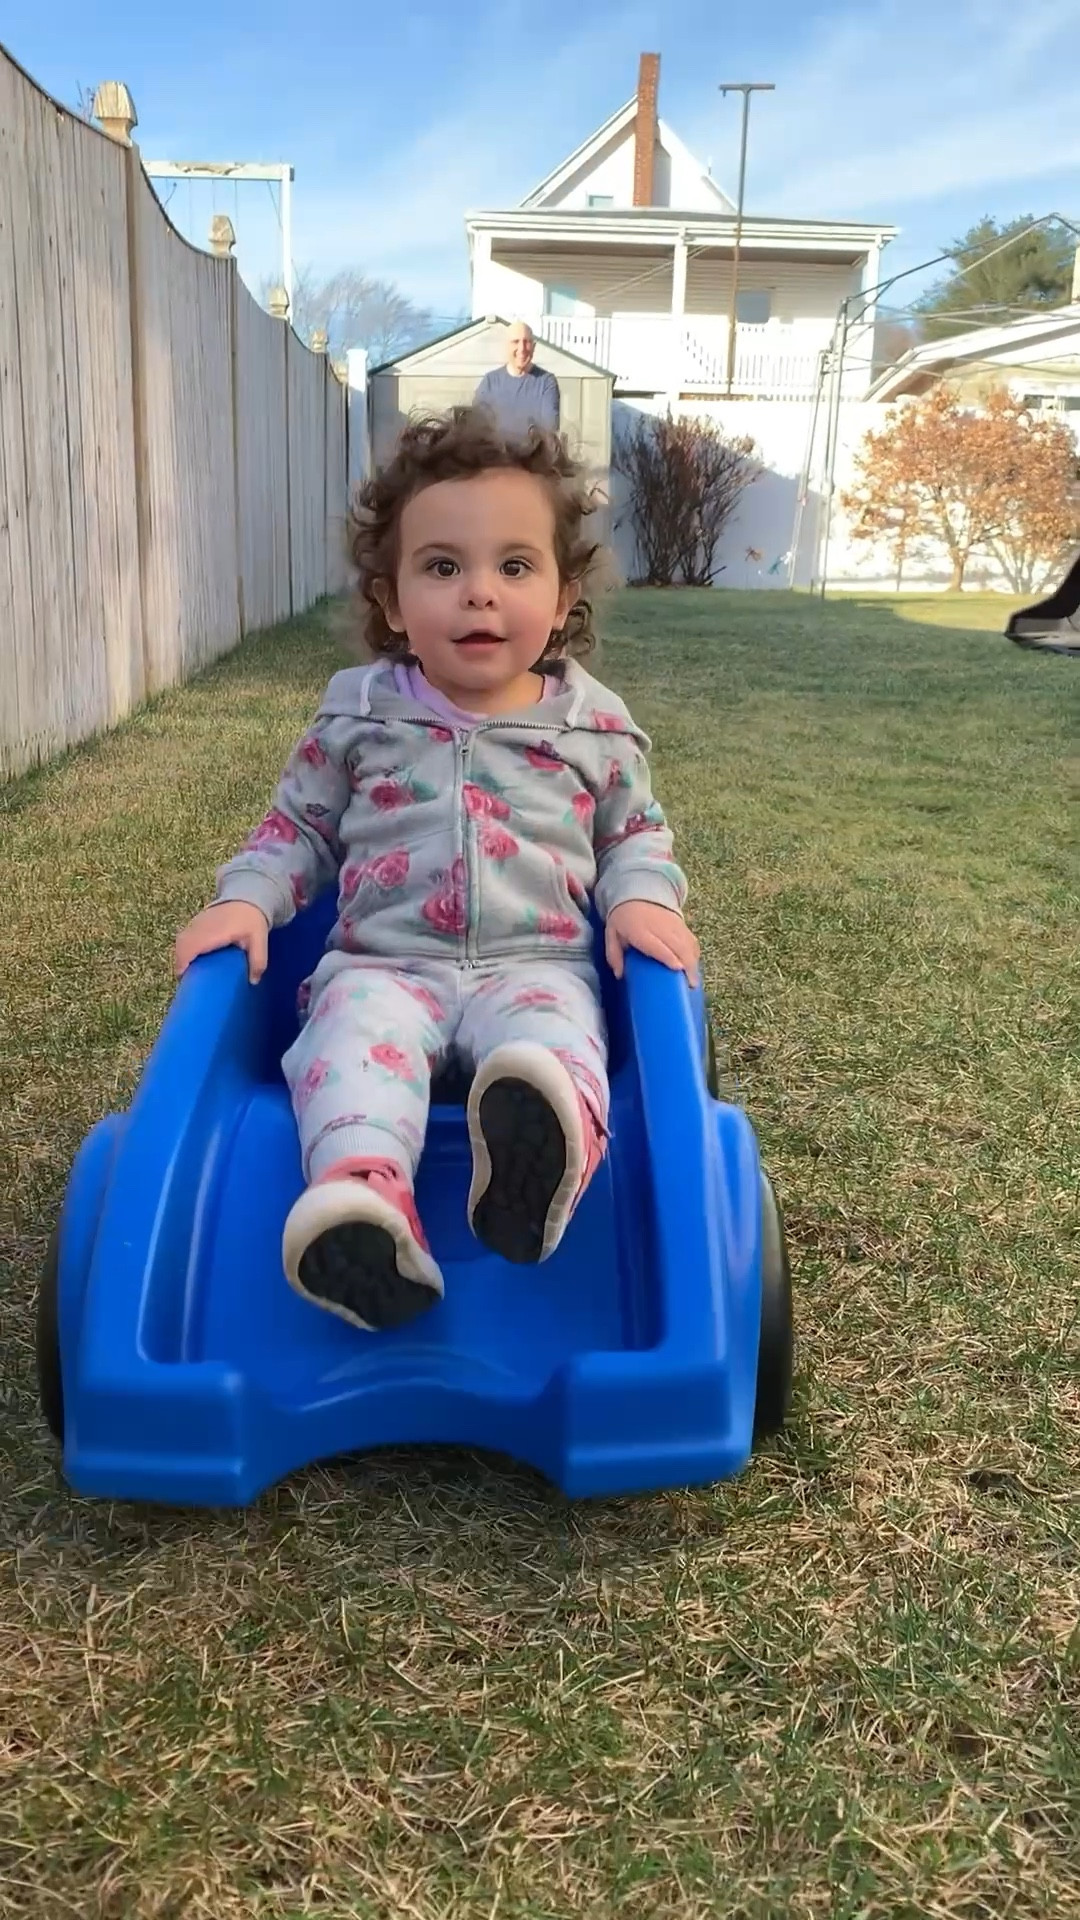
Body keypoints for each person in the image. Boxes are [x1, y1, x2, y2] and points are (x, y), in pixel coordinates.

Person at [174, 407, 698, 1335]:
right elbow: (298, 826)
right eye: (442, 567)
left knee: (552, 1040)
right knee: (347, 1042)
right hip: (384, 966)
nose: (479, 595)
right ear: (389, 601)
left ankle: (538, 1147)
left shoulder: (593, 727)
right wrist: (245, 901)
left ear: (565, 594)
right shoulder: (359, 715)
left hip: (535, 967)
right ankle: (363, 1205)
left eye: (514, 566)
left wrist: (641, 897)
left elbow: (632, 836)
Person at [475, 320, 560, 436]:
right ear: (507, 346)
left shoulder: (546, 383)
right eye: (516, 342)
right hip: (496, 453)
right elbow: (477, 428)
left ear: (534, 347)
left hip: (534, 454)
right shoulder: (490, 382)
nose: (522, 348)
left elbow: (549, 431)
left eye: (527, 342)